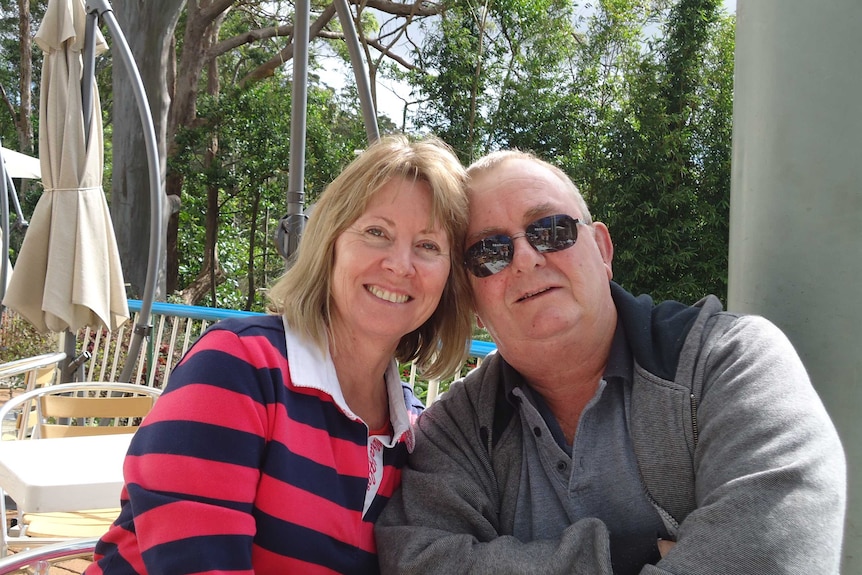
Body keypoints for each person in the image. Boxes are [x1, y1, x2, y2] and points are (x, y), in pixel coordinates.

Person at [376, 150, 847, 574]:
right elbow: (416, 562)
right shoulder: (456, 432)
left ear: (602, 250)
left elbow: (775, 556)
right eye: (489, 251)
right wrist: (627, 557)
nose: (524, 258)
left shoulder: (729, 362)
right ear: (471, 296)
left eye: (551, 230)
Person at [87, 135, 473, 574]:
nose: (400, 264)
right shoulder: (240, 365)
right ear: (330, 244)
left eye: (428, 246)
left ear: (448, 281)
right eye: (376, 232)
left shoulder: (413, 432)